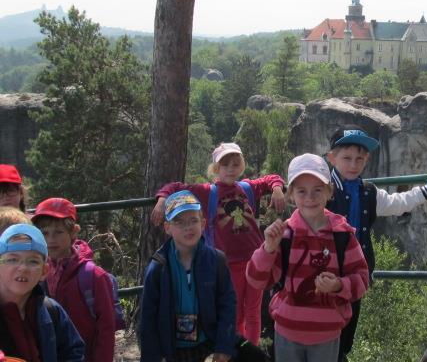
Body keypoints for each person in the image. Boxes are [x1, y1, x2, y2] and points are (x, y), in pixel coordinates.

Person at [325, 124, 427, 361]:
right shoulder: (322, 190)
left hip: (356, 276)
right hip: (326, 275)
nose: (353, 164)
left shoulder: (368, 192)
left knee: (345, 338)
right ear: (332, 158)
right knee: (324, 332)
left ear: (366, 160)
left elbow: (399, 203)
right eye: (346, 158)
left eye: (359, 158)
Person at [151, 142, 285, 345]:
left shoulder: (247, 187)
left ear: (241, 166)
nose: (231, 169)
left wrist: (277, 189)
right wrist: (162, 200)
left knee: (254, 312)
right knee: (236, 311)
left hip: (256, 260)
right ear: (216, 169)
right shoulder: (207, 192)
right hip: (229, 264)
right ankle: (237, 353)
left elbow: (271, 179)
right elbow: (175, 187)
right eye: (225, 165)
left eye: (235, 164)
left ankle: (252, 353)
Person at [246, 153, 369, 362]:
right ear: (291, 195)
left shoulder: (342, 235)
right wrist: (268, 249)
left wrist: (339, 285)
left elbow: (362, 280)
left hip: (327, 334)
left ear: (329, 192)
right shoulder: (284, 235)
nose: (310, 198)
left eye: (317, 190)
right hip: (287, 332)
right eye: (301, 191)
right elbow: (257, 280)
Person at [140, 190, 237, 362]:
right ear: (167, 228)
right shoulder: (158, 268)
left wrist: (224, 346)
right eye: (179, 222)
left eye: (193, 220)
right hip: (172, 349)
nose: (188, 227)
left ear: (203, 223)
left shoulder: (217, 261)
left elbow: (227, 305)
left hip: (208, 344)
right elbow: (148, 319)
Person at [32, 197, 116, 362]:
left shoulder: (94, 276)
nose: (50, 239)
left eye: (58, 232)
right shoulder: (37, 272)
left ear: (73, 233)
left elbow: (106, 329)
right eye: (44, 232)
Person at [0, 223, 84, 361]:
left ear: (44, 271)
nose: (23, 268)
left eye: (33, 261)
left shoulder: (52, 311)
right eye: (12, 260)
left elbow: (73, 352)